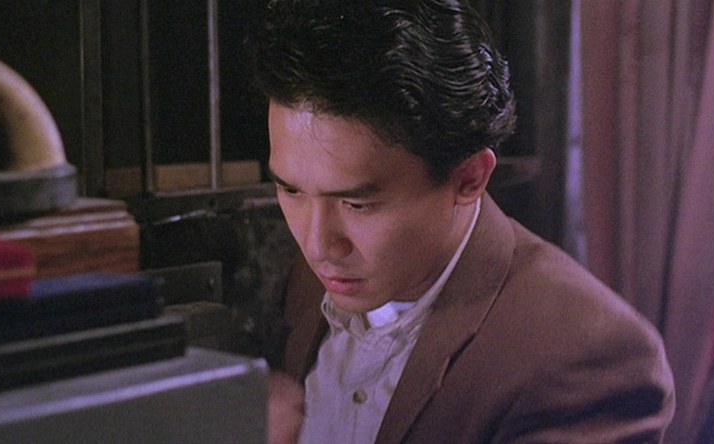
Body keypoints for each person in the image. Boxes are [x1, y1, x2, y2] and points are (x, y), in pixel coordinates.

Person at [251, 1, 676, 443]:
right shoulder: (314, 281)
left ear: (469, 178)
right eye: (291, 191)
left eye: (358, 205)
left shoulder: (586, 357)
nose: (317, 246)